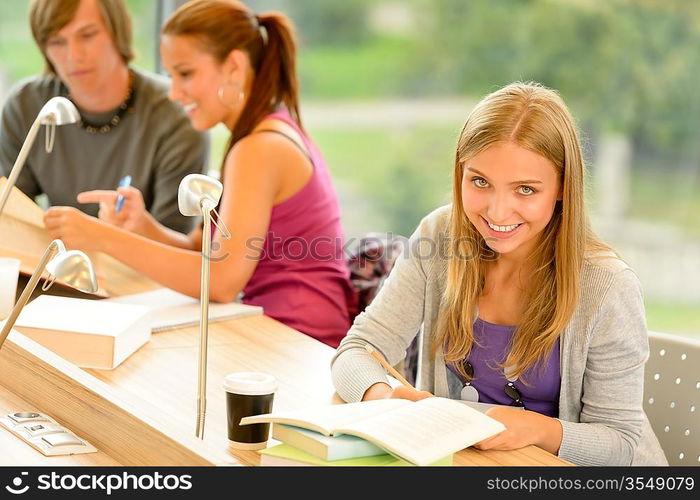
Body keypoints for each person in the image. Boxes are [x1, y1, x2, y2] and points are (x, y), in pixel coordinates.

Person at [330, 82, 668, 466]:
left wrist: (537, 428)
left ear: (561, 187)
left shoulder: (608, 287)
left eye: (525, 189)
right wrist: (385, 397)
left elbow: (619, 444)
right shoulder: (440, 237)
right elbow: (358, 350)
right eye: (480, 182)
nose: (497, 212)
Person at [43, 0, 357, 348]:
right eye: (171, 75)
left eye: (186, 74)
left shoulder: (259, 148)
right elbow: (205, 249)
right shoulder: (259, 134)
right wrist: (143, 226)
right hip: (277, 332)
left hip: (299, 342)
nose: (175, 93)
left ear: (234, 66)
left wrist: (100, 237)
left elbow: (221, 280)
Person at [0, 0, 208, 233]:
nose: (74, 55)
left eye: (87, 35)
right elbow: (13, 219)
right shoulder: (27, 106)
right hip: (51, 264)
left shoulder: (176, 114)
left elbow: (176, 243)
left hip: (137, 267)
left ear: (117, 32)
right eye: (57, 42)